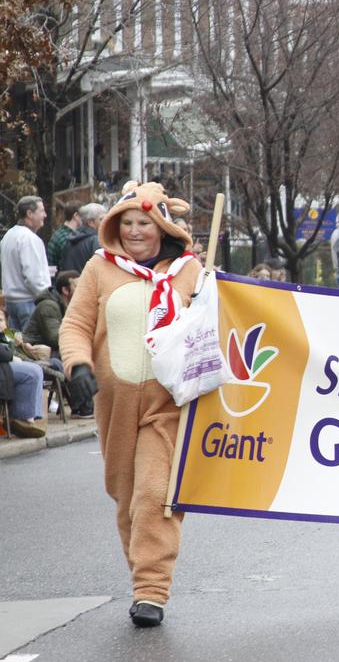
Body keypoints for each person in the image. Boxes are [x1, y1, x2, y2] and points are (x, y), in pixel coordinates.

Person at [59, 181, 203, 628]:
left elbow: (221, 325)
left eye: (144, 223)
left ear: (161, 226)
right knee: (126, 500)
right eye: (127, 224)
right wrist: (77, 366)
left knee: (155, 496)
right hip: (115, 408)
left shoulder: (190, 272)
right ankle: (143, 572)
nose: (135, 232)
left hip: (168, 406)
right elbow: (75, 325)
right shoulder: (99, 269)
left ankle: (151, 591)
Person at [2, 196, 52, 330]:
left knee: (18, 348)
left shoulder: (9, 235)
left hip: (12, 302)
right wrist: (48, 299)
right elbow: (33, 276)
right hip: (29, 303)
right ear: (29, 214)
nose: (45, 215)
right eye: (41, 211)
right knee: (33, 349)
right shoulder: (29, 239)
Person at [0, 325, 46, 438]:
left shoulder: (8, 333)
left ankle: (30, 418)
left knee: (37, 369)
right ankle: (22, 419)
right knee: (31, 373)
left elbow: (14, 347)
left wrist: (9, 335)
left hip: (8, 362)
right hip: (4, 364)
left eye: (2, 320)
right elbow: (8, 353)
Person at [59, 203, 106, 274]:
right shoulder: (96, 241)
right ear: (90, 222)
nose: (105, 222)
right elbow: (101, 271)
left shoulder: (70, 240)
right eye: (101, 219)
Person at [48, 201, 82, 267]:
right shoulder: (68, 238)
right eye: (83, 215)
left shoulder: (59, 233)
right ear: (76, 216)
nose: (85, 218)